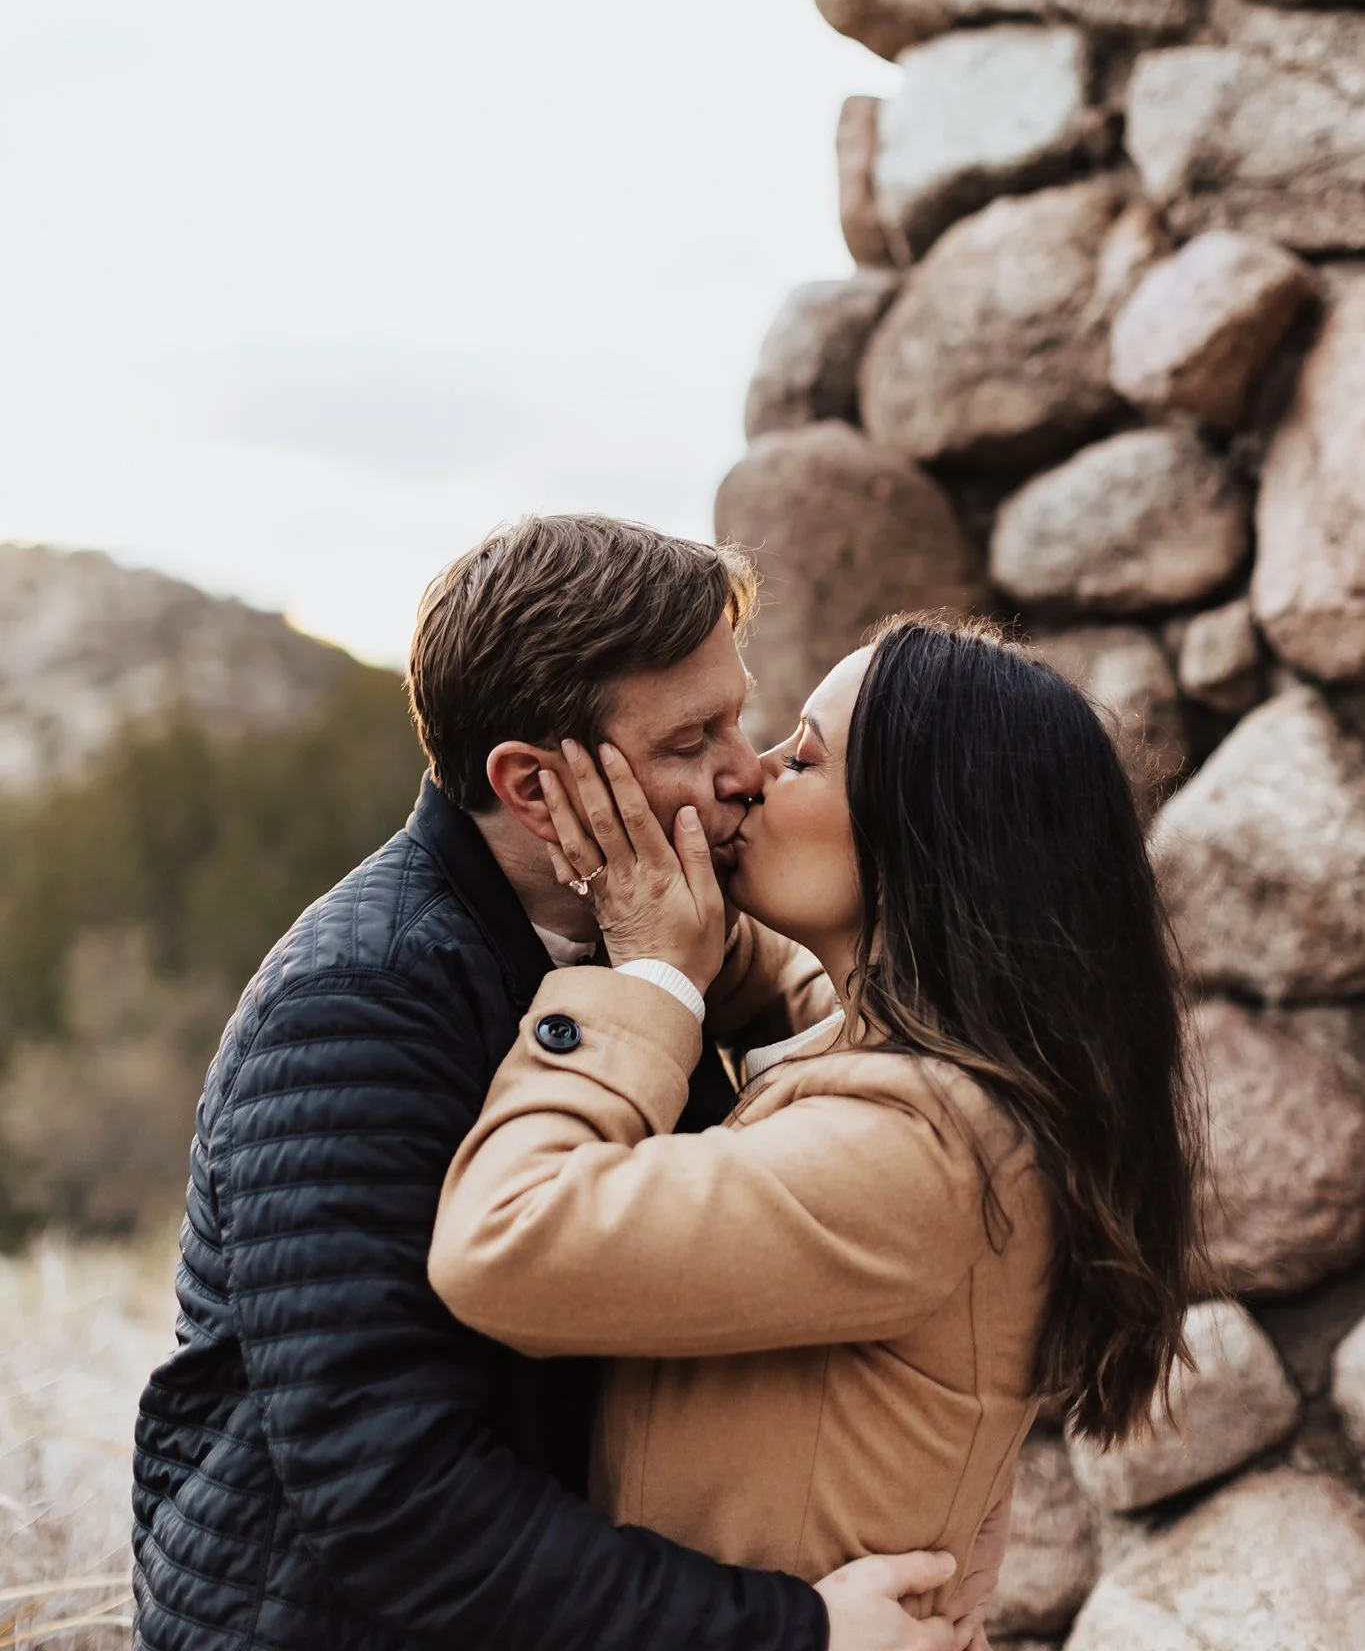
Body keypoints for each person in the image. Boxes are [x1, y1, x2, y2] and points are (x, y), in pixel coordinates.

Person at [132, 516, 993, 1651]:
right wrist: (787, 1632)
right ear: (536, 788)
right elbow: (388, 1491)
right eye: (693, 738)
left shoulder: (655, 942)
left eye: (737, 714)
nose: (745, 769)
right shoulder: (361, 1000)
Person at [429, 618, 1204, 1622]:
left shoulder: (922, 1145)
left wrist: (650, 976)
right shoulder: (951, 1080)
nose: (749, 774)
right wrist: (677, 905)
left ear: (922, 832)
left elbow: (502, 1241)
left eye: (804, 755)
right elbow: (810, 1005)